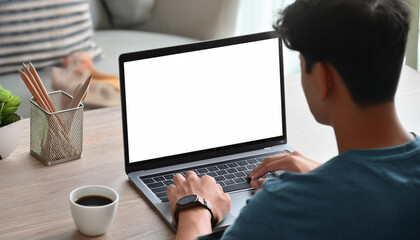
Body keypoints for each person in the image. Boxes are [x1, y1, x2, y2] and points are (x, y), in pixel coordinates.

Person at [166, 0, 420, 239]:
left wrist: (195, 207)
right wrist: (325, 175)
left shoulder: (284, 209)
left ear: (323, 79)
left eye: (301, 65)